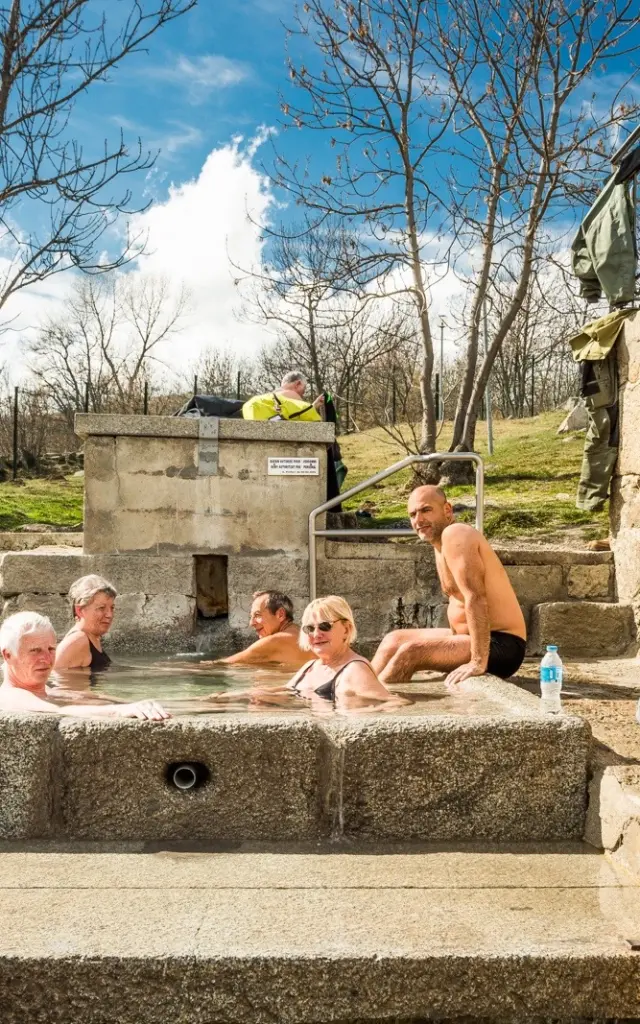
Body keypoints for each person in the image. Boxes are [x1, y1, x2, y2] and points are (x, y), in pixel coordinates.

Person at [372, 486, 527, 686]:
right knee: (394, 640)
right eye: (413, 514)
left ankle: (376, 707)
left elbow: (476, 597)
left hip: (501, 644)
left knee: (411, 652)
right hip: (466, 638)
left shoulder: (456, 534)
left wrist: (477, 662)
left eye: (426, 510)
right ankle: (354, 690)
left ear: (447, 510)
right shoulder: (439, 544)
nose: (418, 521)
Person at [209, 596, 401, 709]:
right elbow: (287, 690)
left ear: (346, 629)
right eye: (310, 628)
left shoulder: (354, 671)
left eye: (325, 626)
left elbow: (395, 703)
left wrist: (357, 720)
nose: (316, 634)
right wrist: (235, 695)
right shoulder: (311, 666)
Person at [0, 611, 170, 719]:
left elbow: (99, 700)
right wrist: (120, 711)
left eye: (51, 648)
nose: (47, 658)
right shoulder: (11, 696)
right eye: (35, 651)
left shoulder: (48, 692)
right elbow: (59, 713)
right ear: (8, 655)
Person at [203, 591, 315, 670]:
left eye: (257, 615)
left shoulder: (276, 641)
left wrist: (190, 667)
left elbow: (221, 665)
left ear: (280, 614)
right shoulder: (298, 633)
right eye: (251, 617)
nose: (251, 623)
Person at [55, 575, 116, 674]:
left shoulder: (92, 637)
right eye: (101, 608)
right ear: (79, 610)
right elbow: (59, 685)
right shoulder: (78, 641)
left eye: (112, 608)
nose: (109, 615)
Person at [241, 371, 325, 422]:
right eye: (304, 388)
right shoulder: (291, 394)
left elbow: (290, 414)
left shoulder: (270, 397)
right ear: (298, 384)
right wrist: (312, 408)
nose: (303, 393)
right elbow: (304, 413)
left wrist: (314, 405)